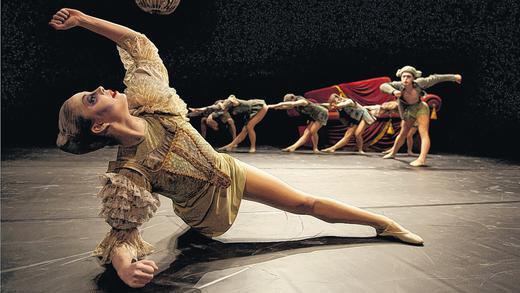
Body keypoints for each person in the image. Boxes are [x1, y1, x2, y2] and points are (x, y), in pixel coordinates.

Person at [49, 9, 423, 288]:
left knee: (303, 203)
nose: (103, 88)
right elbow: (121, 234)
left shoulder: (151, 100)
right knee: (208, 228)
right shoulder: (131, 171)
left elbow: (137, 44)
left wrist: (83, 20)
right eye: (93, 97)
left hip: (228, 170)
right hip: (208, 216)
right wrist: (125, 267)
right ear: (98, 124)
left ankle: (383, 223)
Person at [379, 66, 462, 166]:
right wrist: (393, 91)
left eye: (408, 77)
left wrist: (454, 77)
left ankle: (422, 159)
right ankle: (393, 153)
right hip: (408, 110)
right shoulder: (398, 85)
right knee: (403, 133)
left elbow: (435, 78)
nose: (405, 79)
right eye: (403, 76)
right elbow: (383, 86)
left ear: (413, 78)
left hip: (420, 108)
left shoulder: (420, 83)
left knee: (423, 133)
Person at [191, 95, 267, 153]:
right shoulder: (227, 107)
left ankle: (252, 147)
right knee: (245, 130)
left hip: (258, 107)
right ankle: (230, 146)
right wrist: (200, 110)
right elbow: (215, 108)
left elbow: (220, 105)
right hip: (251, 111)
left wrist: (200, 109)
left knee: (249, 127)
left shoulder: (232, 101)